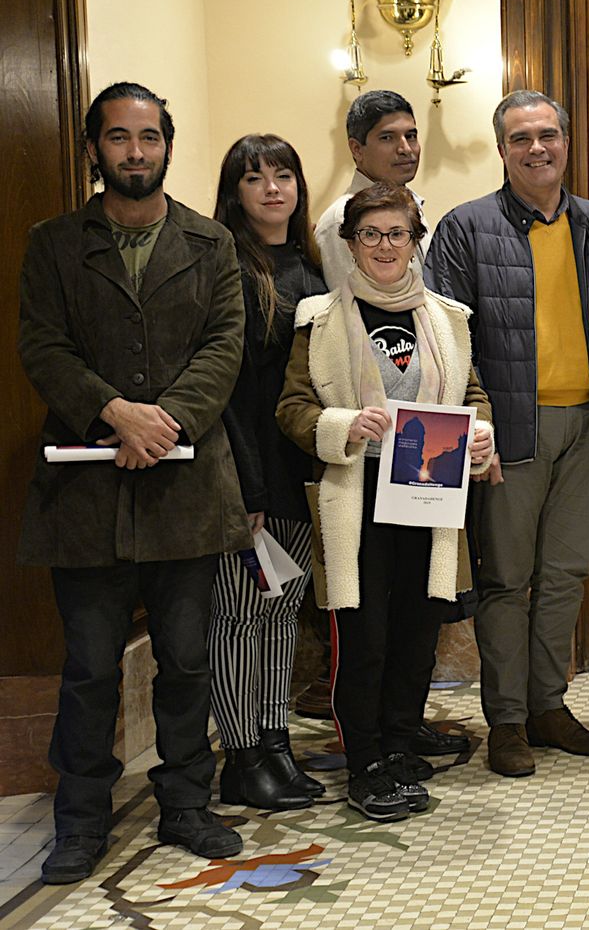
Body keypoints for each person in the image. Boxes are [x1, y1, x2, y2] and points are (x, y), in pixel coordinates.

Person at [19, 82, 248, 883]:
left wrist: (166, 421)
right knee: (89, 667)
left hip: (186, 489)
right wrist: (115, 412)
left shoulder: (212, 243)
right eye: (118, 137)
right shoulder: (53, 243)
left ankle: (186, 803)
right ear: (94, 148)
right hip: (83, 493)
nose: (136, 151)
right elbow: (42, 345)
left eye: (149, 137)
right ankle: (80, 819)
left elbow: (224, 344)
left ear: (168, 147)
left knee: (186, 660)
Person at [276, 182, 494, 821]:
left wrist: (481, 431)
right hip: (357, 494)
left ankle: (399, 743)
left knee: (418, 629)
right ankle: (365, 762)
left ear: (414, 241)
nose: (384, 246)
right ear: (349, 244)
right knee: (364, 634)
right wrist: (343, 425)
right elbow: (292, 406)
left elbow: (471, 394)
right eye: (370, 234)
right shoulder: (319, 320)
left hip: (428, 490)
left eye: (397, 233)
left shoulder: (448, 319)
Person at [425, 91, 589, 778]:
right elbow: (447, 340)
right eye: (521, 138)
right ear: (502, 148)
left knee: (565, 574)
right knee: (506, 580)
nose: (537, 148)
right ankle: (506, 719)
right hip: (508, 433)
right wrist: (477, 426)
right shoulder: (465, 228)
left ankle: (548, 706)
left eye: (547, 135)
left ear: (566, 141)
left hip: (584, 426)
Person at [210, 135, 328, 810]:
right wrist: (244, 487)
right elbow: (226, 392)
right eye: (255, 178)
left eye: (284, 175)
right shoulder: (226, 266)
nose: (273, 188)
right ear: (235, 192)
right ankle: (241, 757)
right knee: (238, 615)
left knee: (282, 613)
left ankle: (275, 743)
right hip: (243, 472)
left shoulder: (309, 267)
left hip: (298, 470)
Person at [313, 90, 425, 290]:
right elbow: (350, 303)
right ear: (357, 149)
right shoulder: (342, 218)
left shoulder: (411, 204)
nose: (406, 149)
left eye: (410, 136)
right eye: (387, 138)